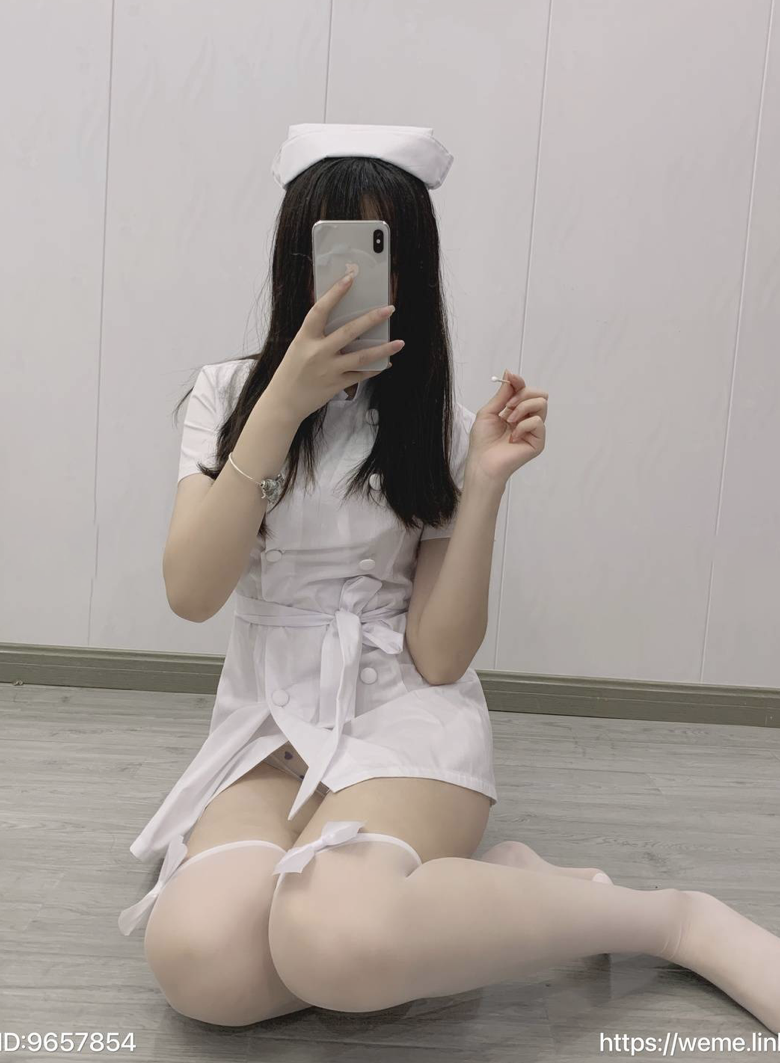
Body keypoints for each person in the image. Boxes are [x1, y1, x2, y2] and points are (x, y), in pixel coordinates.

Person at [120, 124, 780, 1033]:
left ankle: (667, 919)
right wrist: (284, 405)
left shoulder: (440, 427)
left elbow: (438, 656)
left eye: (377, 251)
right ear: (294, 258)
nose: (352, 280)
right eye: (331, 249)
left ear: (413, 271)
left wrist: (487, 483)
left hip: (400, 712)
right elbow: (192, 593)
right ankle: (479, 905)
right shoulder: (227, 397)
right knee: (201, 965)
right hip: (265, 727)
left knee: (332, 936)